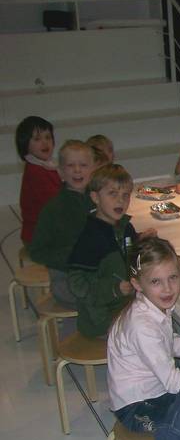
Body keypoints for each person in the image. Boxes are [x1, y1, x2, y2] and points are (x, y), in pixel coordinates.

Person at [107, 237, 180, 433]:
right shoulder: (142, 325)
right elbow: (172, 382)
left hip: (159, 386)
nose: (168, 288)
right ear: (137, 284)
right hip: (138, 407)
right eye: (156, 281)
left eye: (173, 277)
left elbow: (168, 343)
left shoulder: (154, 305)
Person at [68, 163, 153, 338]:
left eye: (125, 195)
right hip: (101, 319)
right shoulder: (90, 238)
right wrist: (114, 289)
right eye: (112, 194)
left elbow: (129, 255)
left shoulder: (125, 227)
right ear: (95, 197)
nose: (120, 200)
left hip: (126, 307)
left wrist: (143, 243)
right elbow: (77, 284)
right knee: (148, 334)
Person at [29, 140, 95, 309]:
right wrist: (71, 257)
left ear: (93, 170)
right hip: (66, 280)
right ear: (61, 172)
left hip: (96, 274)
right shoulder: (53, 209)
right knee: (112, 294)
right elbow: (36, 251)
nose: (77, 170)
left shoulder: (98, 200)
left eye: (83, 165)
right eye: (71, 165)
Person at [16, 116, 61, 245]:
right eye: (37, 139)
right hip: (39, 237)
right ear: (25, 144)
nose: (45, 143)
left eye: (48, 137)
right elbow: (55, 203)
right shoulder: (35, 172)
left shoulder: (45, 165)